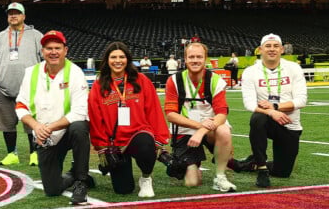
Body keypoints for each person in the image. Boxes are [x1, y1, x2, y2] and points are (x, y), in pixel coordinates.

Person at [15, 31, 91, 205]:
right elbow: (20, 105)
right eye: (49, 48)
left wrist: (49, 127)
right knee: (52, 190)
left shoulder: (75, 72)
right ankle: (73, 174)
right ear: (42, 51)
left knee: (79, 127)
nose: (53, 52)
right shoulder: (31, 73)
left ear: (65, 50)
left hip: (66, 131)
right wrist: (35, 126)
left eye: (58, 48)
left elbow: (80, 111)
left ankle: (81, 181)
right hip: (45, 136)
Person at [88, 41, 169, 197]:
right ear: (107, 60)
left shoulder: (141, 80)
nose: (118, 61)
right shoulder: (99, 85)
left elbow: (153, 109)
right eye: (113, 57)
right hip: (115, 142)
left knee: (146, 145)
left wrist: (159, 137)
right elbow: (95, 118)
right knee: (123, 189)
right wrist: (102, 145)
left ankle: (146, 178)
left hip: (139, 133)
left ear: (128, 59)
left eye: (122, 57)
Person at [234, 33, 307, 187]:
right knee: (257, 119)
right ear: (260, 50)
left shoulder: (293, 68)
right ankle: (261, 169)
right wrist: (271, 112)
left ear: (281, 49)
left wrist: (275, 107)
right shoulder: (250, 72)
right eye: (268, 46)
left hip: (289, 123)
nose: (272, 49)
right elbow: (249, 103)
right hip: (267, 119)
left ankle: (250, 164)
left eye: (275, 46)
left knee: (283, 172)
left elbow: (302, 100)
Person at [164, 42, 236, 192]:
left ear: (205, 59)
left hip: (210, 130)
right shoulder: (174, 81)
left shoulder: (216, 80)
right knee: (192, 181)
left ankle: (220, 177)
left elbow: (222, 113)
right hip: (185, 131)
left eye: (199, 57)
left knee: (224, 131)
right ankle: (191, 163)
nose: (195, 60)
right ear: (185, 59)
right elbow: (170, 114)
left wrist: (202, 130)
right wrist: (198, 126)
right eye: (191, 57)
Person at [0, 2, 43, 166]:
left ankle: (34, 153)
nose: (13, 16)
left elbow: (46, 60)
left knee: (32, 123)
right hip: (3, 89)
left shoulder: (37, 36)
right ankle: (12, 154)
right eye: (10, 13)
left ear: (24, 16)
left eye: (17, 13)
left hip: (31, 89)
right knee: (7, 123)